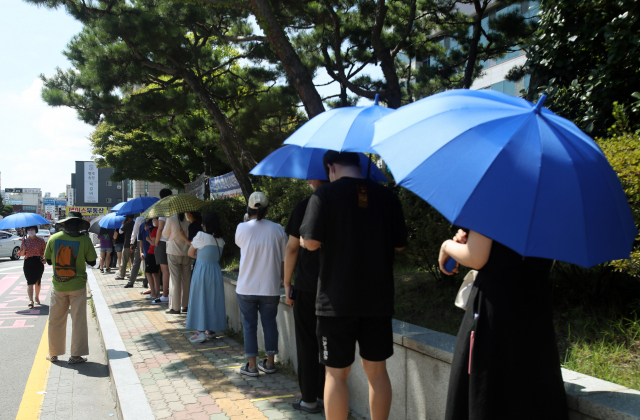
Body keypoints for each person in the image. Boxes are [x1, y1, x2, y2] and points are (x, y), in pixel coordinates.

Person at [299, 151, 408, 420]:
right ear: (360, 167)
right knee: (377, 371)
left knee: (336, 374)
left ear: (330, 168)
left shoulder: (323, 196)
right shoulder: (387, 196)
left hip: (336, 300)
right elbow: (400, 243)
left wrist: (304, 240)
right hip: (377, 299)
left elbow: (310, 242)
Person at [438, 230, 569, 420]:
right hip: (535, 306)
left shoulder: (491, 200)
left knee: (489, 392)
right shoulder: (552, 204)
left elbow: (476, 257)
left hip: (495, 310)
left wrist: (447, 246)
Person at [284, 180, 327, 414]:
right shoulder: (345, 205)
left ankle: (309, 399)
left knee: (307, 344)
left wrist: (286, 283)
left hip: (307, 286)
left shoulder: (304, 206)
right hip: (336, 288)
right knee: (329, 346)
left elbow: (291, 248)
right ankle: (324, 396)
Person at [235, 192, 287, 377]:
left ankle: (251, 366)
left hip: (246, 286)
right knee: (269, 323)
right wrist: (284, 280)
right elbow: (283, 260)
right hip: (270, 286)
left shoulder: (242, 228)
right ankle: (270, 363)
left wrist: (247, 219)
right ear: (267, 208)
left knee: (249, 325)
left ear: (249, 208)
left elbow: (240, 244)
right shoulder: (278, 229)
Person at [44, 211, 97, 364]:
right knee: (78, 320)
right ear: (80, 226)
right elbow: (92, 262)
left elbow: (48, 260)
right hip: (77, 286)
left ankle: (53, 353)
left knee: (55, 320)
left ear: (65, 224)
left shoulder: (54, 238)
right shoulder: (85, 240)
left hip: (59, 285)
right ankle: (75, 356)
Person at [186, 211, 226, 343]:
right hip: (215, 271)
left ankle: (200, 332)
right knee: (213, 299)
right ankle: (211, 330)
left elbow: (190, 253)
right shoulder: (221, 240)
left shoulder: (201, 236)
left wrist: (200, 256)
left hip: (202, 270)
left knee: (200, 298)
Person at [163, 213, 191, 314]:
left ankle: (175, 307)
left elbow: (165, 234)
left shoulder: (171, 218)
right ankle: (185, 305)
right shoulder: (188, 218)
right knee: (186, 279)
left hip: (173, 251)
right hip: (186, 251)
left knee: (175, 279)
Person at [152, 188, 173, 304]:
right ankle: (170, 294)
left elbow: (160, 229)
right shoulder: (174, 209)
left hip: (162, 242)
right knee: (170, 270)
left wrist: (156, 243)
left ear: (161, 198)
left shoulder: (163, 209)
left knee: (165, 270)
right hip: (172, 242)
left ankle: (165, 295)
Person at [19, 226, 46, 308]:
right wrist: (24, 249)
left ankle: (37, 297)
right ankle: (31, 300)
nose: (30, 231)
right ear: (26, 231)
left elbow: (45, 252)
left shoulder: (41, 241)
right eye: (29, 230)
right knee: (29, 281)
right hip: (28, 262)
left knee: (38, 280)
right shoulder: (25, 241)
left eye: (32, 230)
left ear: (36, 230)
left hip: (38, 262)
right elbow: (22, 254)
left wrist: (45, 259)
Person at [140, 219, 160, 299]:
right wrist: (148, 230)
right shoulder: (161, 229)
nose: (153, 221)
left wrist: (148, 239)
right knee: (156, 273)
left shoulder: (156, 229)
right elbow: (154, 237)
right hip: (157, 253)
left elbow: (153, 243)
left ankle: (153, 293)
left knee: (148, 272)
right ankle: (157, 293)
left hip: (151, 253)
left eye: (155, 219)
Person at [124, 215, 145, 288]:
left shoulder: (139, 218)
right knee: (149, 262)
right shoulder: (154, 216)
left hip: (140, 242)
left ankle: (130, 282)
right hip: (152, 241)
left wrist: (132, 243)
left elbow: (135, 231)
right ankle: (147, 281)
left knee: (136, 262)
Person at [115, 215, 135, 280]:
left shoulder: (127, 224)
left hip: (127, 245)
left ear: (128, 218)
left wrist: (122, 224)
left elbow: (120, 231)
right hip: (135, 245)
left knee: (124, 261)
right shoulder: (135, 223)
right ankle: (133, 275)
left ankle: (122, 276)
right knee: (133, 262)